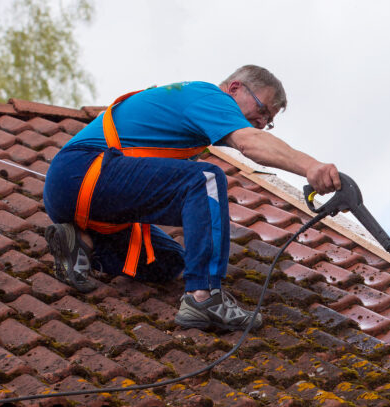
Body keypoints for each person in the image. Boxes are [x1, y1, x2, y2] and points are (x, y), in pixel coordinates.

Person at [42, 65, 340, 331]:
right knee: (205, 179)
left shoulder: (190, 117)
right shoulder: (209, 96)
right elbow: (250, 144)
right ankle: (204, 296)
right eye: (261, 110)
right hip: (82, 171)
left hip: (78, 196)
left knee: (169, 263)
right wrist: (310, 166)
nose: (261, 123)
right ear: (235, 88)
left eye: (268, 120)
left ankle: (81, 243)